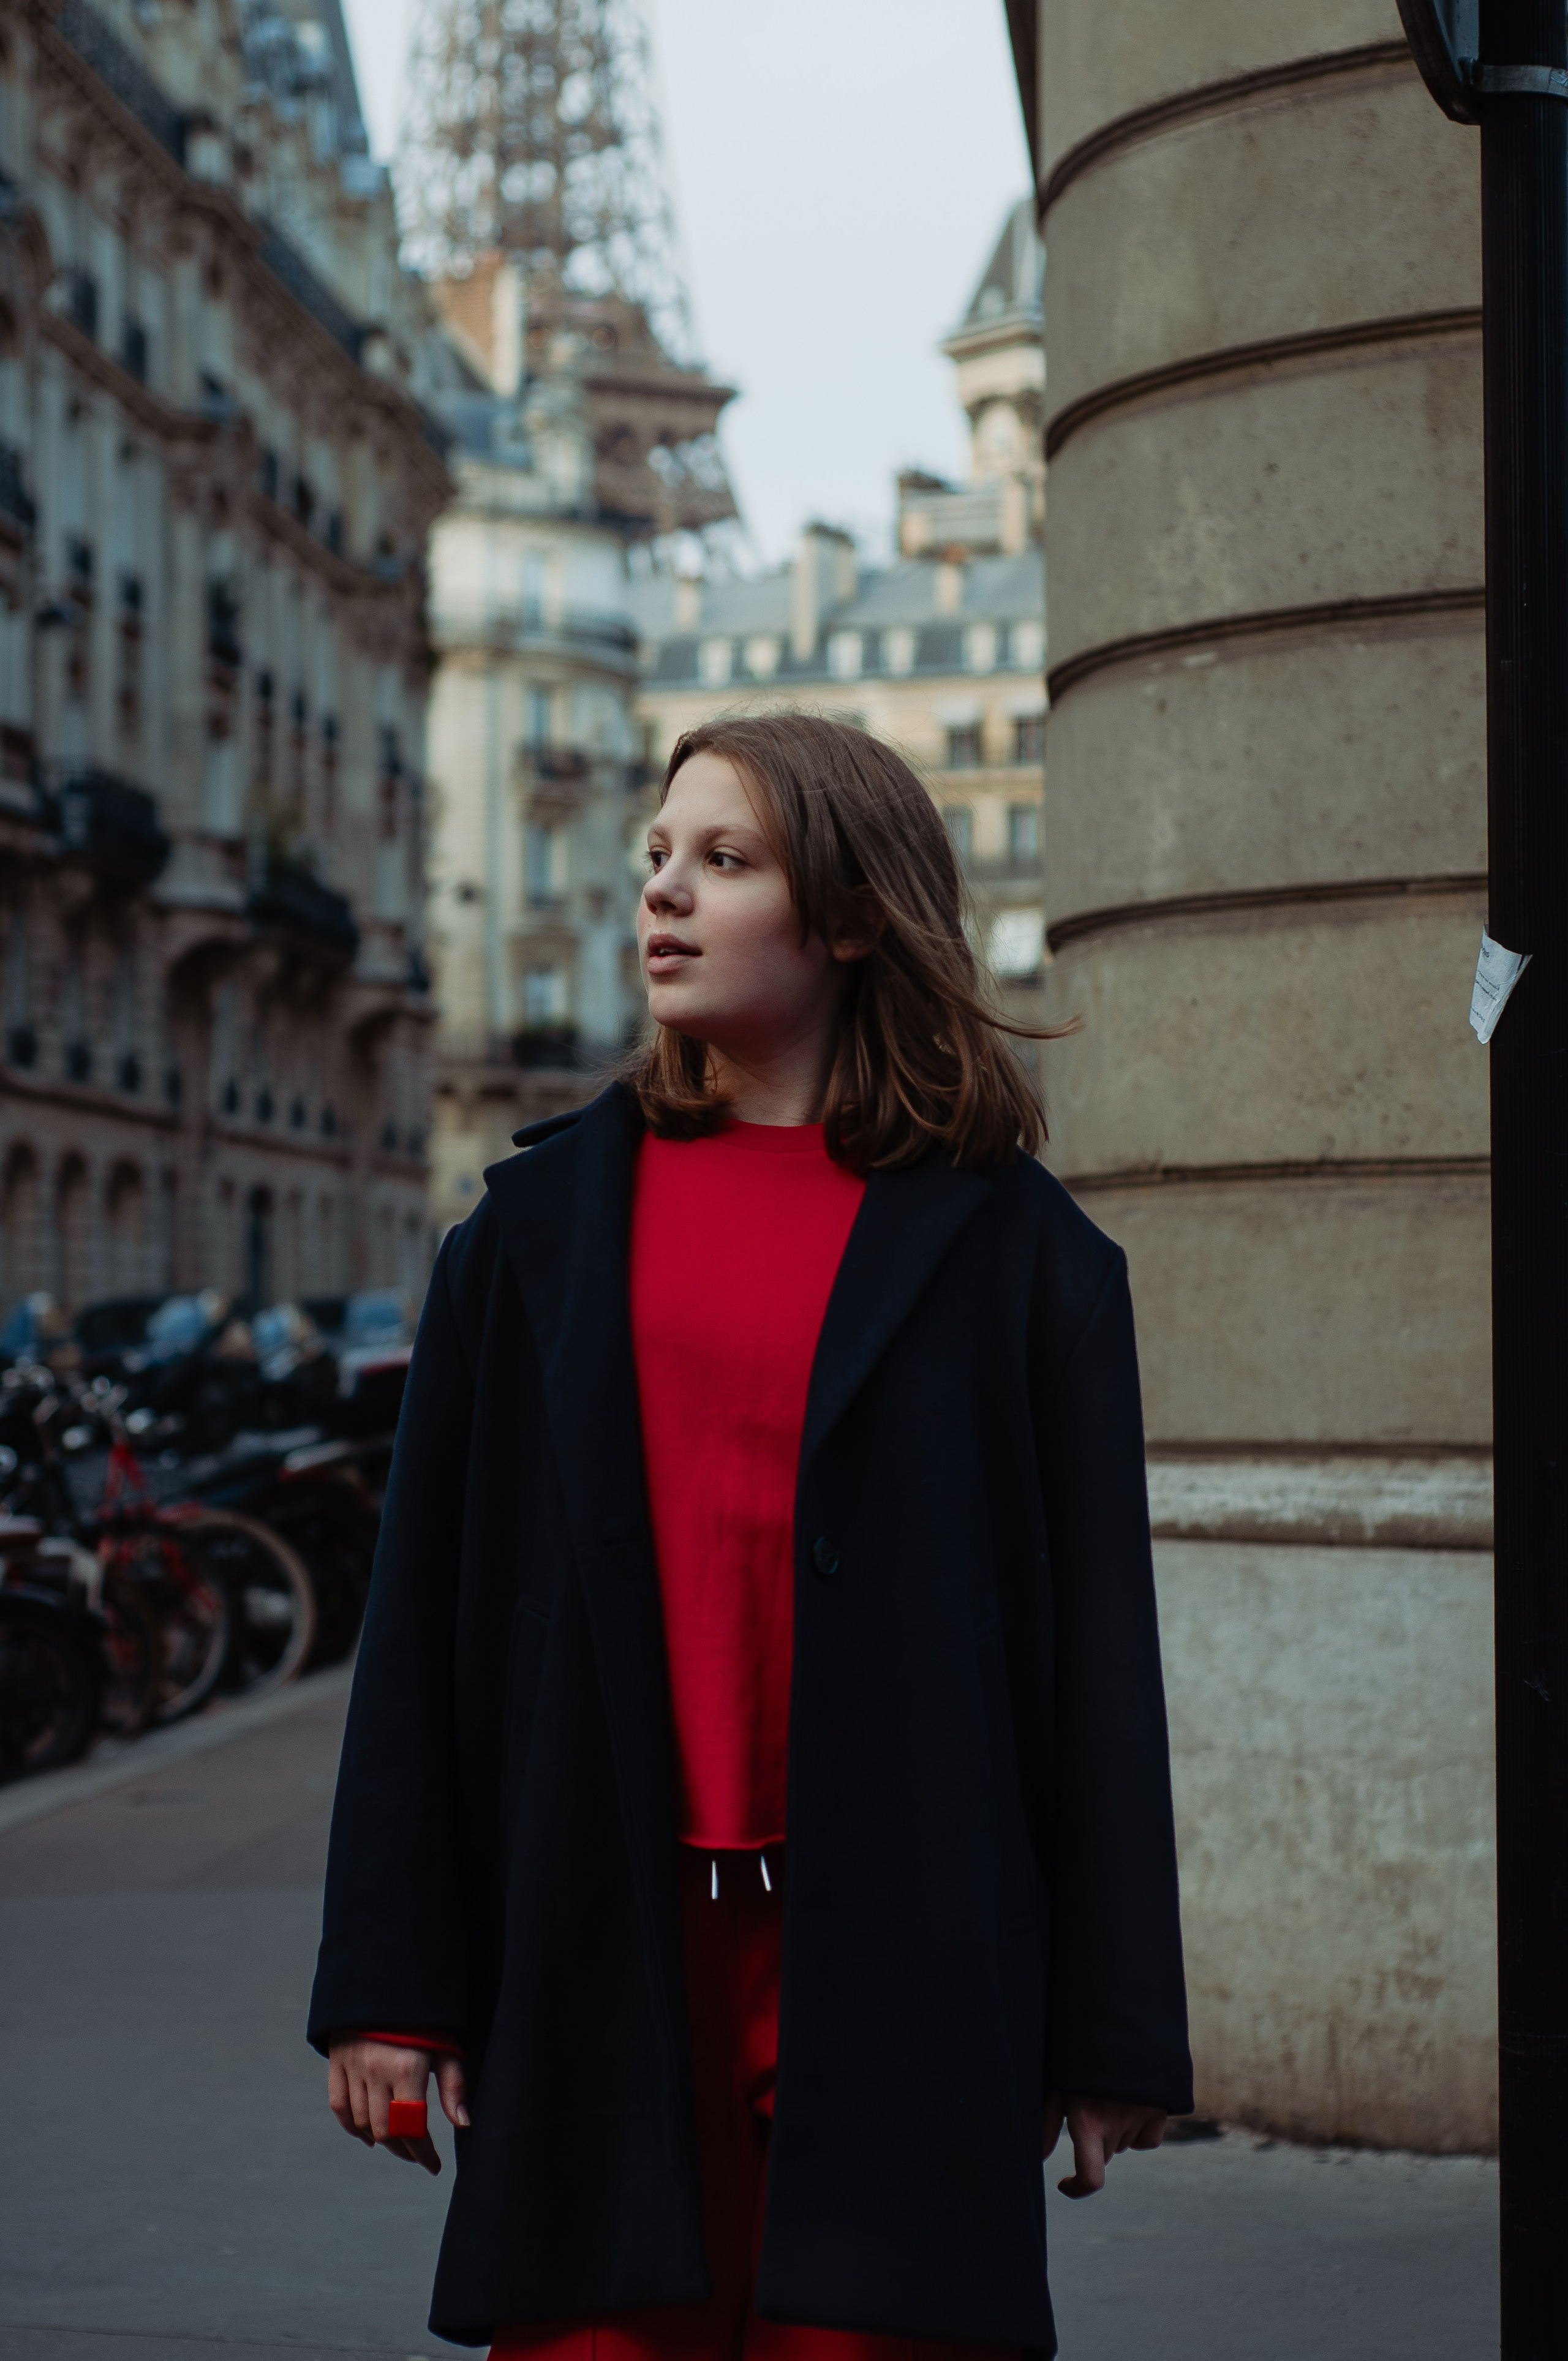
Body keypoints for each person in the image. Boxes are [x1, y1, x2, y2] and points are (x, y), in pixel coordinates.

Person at [309, 712, 1193, 2359]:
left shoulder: (1025, 1264)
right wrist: (388, 1982)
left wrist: (1116, 2033)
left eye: (725, 861)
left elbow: (1096, 1675)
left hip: (906, 1949)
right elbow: (422, 1631)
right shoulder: (532, 1243)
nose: (663, 892)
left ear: (853, 914)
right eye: (658, 855)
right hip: (597, 1937)